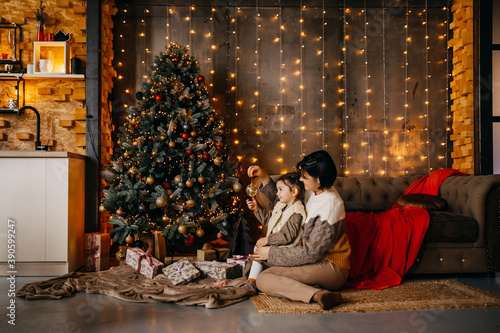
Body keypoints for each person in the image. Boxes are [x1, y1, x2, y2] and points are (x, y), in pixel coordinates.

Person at [248, 150, 350, 310]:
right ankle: (313, 286)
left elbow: (312, 253)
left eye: (304, 177)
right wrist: (264, 176)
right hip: (310, 258)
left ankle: (319, 295)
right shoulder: (313, 190)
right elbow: (282, 202)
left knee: (264, 278)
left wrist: (271, 253)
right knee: (261, 265)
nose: (300, 179)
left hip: (329, 264)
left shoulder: (330, 206)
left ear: (319, 179)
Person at [243, 172, 307, 294]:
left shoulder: (297, 213)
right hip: (276, 245)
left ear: (294, 192)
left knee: (260, 253)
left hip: (286, 250)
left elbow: (287, 236)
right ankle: (250, 278)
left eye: (280, 190)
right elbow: (269, 220)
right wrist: (256, 209)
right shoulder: (281, 206)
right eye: (277, 190)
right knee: (258, 250)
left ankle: (251, 282)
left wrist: (268, 240)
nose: (277, 193)